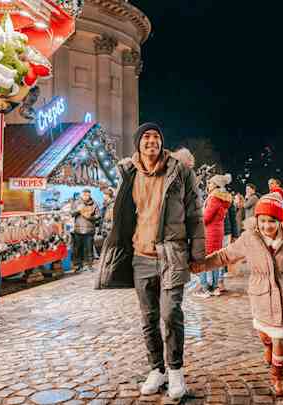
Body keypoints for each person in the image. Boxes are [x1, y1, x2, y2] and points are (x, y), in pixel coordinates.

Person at [96, 122, 205, 399]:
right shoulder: (129, 173)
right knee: (148, 319)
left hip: (172, 254)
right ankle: (157, 369)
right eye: (146, 137)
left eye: (156, 137)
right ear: (138, 143)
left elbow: (194, 213)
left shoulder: (180, 171)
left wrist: (197, 254)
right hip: (140, 257)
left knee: (171, 315)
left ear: (162, 142)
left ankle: (176, 370)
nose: (151, 141)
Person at [196, 193, 283, 396]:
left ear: (280, 221)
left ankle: (278, 377)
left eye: (272, 221)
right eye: (263, 221)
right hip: (260, 293)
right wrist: (202, 264)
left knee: (280, 336)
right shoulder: (249, 239)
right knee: (264, 333)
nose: (267, 226)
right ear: (257, 220)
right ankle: (267, 344)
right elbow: (224, 255)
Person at [195, 174, 233, 298]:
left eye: (210, 183)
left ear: (216, 185)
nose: (208, 185)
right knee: (215, 259)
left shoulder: (214, 198)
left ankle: (205, 287)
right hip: (217, 231)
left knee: (203, 258)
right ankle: (215, 286)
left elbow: (206, 217)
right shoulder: (221, 198)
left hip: (209, 232)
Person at [70, 189, 100, 272]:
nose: (86, 196)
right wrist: (78, 210)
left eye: (88, 195)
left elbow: (98, 215)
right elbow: (72, 213)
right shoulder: (77, 203)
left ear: (90, 195)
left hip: (89, 230)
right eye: (84, 195)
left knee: (89, 249)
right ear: (82, 195)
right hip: (78, 229)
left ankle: (89, 265)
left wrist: (91, 217)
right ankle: (78, 266)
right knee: (78, 249)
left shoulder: (94, 203)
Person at [221, 191, 241, 292]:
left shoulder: (228, 203)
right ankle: (223, 273)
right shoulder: (228, 202)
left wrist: (235, 234)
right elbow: (233, 218)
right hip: (226, 231)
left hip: (225, 231)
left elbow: (233, 219)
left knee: (224, 253)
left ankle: (224, 272)